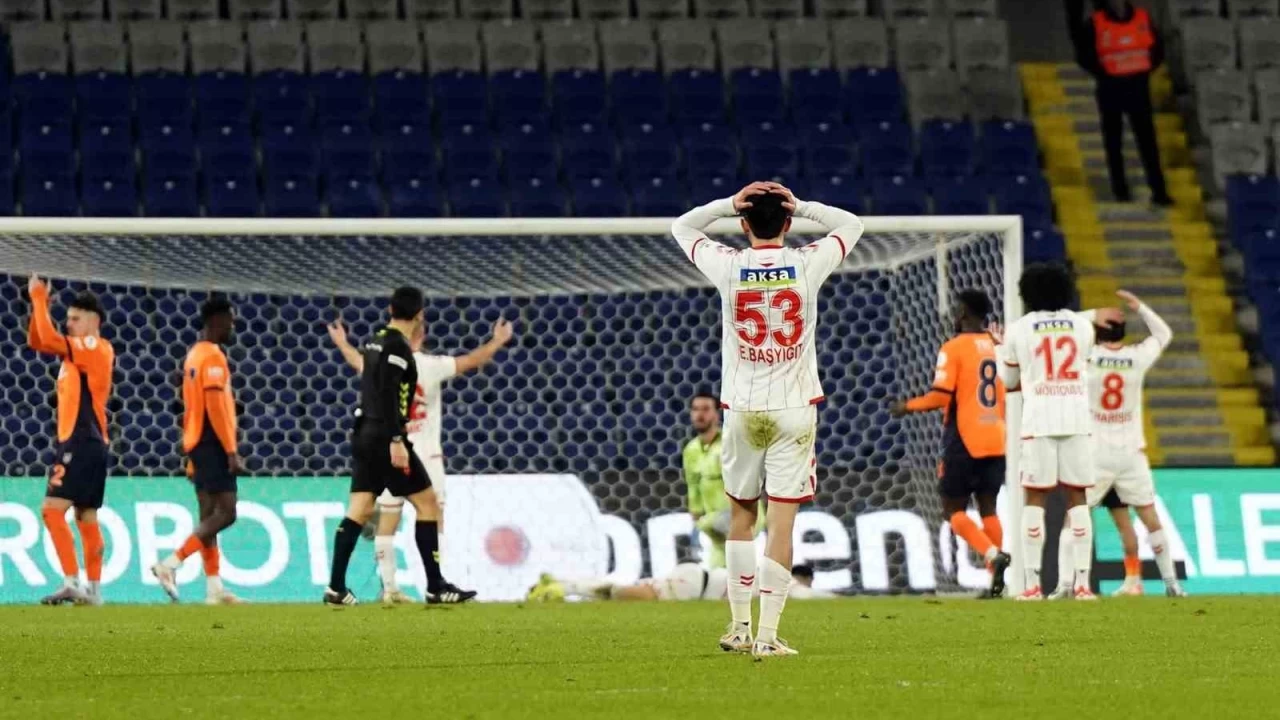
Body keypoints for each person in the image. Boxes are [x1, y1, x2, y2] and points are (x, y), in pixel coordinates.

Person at [671, 180, 863, 658]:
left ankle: (739, 627)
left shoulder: (729, 265)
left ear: (743, 224)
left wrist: (726, 203)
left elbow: (683, 227)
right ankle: (767, 636)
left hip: (741, 409)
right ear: (789, 222)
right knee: (781, 525)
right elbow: (851, 225)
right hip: (793, 410)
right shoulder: (807, 262)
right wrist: (806, 204)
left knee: (741, 516)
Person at [327, 314, 514, 604]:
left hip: (384, 445)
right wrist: (497, 341)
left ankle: (389, 590)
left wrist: (342, 343)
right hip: (420, 452)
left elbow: (357, 362)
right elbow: (470, 361)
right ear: (421, 334)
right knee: (431, 513)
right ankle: (436, 583)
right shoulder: (431, 364)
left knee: (384, 518)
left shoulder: (379, 362)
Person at [1048, 289, 1187, 598]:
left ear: (1097, 332)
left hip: (1095, 452)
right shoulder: (1137, 357)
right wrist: (1140, 307)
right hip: (1131, 454)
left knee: (1075, 516)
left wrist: (1092, 314)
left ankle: (1066, 585)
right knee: (1150, 518)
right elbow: (1164, 334)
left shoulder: (1088, 358)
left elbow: (1058, 328)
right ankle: (1171, 584)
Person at [995, 264, 1122, 601]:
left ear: (1027, 294)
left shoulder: (1018, 330)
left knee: (1034, 499)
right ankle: (1082, 585)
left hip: (1038, 422)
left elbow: (1009, 383)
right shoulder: (1082, 326)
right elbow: (1083, 366)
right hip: (1077, 420)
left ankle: (1032, 585)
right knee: (1077, 498)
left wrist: (1000, 353)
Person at [890, 290, 1011, 598]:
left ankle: (992, 555)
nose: (954, 315)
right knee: (988, 507)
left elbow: (940, 397)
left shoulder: (954, 347)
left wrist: (907, 406)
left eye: (957, 309)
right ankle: (995, 582)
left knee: (952, 509)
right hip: (996, 437)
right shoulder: (998, 345)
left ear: (964, 313)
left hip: (964, 438)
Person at [28, 275, 115, 606]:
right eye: (68, 318)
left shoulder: (94, 347)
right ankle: (94, 592)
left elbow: (49, 339)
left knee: (52, 511)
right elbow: (38, 340)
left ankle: (71, 582)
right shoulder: (74, 356)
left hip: (81, 440)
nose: (69, 324)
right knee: (85, 516)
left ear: (94, 322)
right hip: (88, 441)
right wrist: (40, 306)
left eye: (76, 319)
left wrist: (38, 297)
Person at [151, 298, 244, 604]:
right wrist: (230, 450)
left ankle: (214, 588)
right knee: (227, 513)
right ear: (217, 320)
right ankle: (170, 564)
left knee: (207, 516)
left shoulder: (193, 355)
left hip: (195, 441)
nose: (232, 326)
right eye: (229, 320)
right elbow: (215, 406)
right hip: (212, 441)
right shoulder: (213, 357)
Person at [1072, 0, 1172, 207]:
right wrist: (1104, 73)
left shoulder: (1142, 18)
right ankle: (1120, 191)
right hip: (1111, 88)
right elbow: (1083, 56)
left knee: (1148, 143)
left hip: (1138, 87)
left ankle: (1159, 192)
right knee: (1113, 142)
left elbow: (1158, 48)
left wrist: (1145, 71)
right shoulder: (1095, 23)